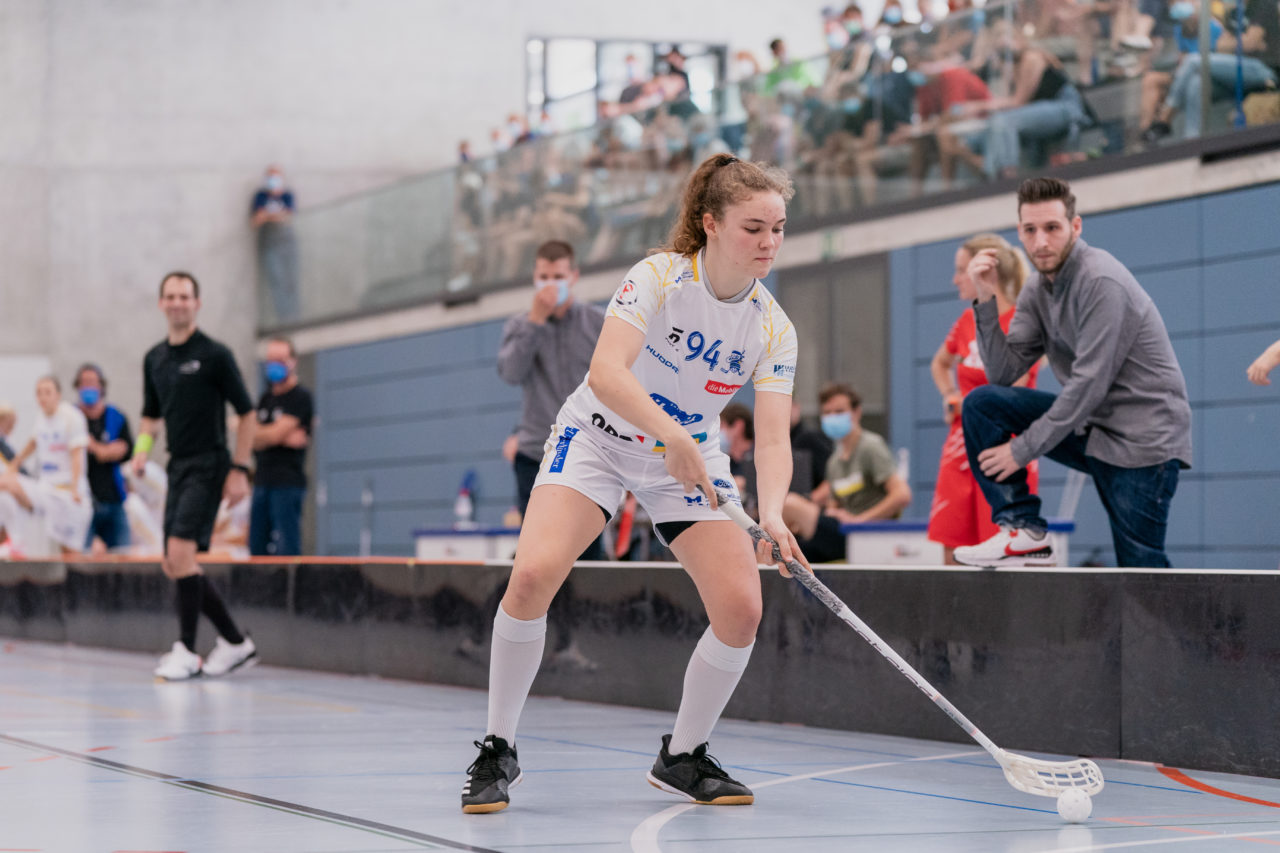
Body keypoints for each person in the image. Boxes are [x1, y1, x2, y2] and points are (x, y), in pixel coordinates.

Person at [461, 153, 807, 814]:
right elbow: (606, 373)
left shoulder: (773, 326)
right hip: (598, 438)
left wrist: (777, 512)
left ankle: (682, 755)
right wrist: (670, 433)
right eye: (753, 227)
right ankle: (497, 746)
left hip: (689, 459)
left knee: (741, 610)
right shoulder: (659, 277)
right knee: (532, 576)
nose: (769, 243)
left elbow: (771, 436)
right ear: (710, 223)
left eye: (778, 228)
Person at [955, 177, 1192, 568]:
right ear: (1020, 232)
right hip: (1093, 431)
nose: (1041, 242)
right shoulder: (1035, 291)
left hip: (1145, 443)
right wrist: (985, 297)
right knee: (983, 404)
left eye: (1052, 228)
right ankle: (1022, 530)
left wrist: (1021, 450)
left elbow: (1088, 387)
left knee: (1142, 576)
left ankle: (1196, 633)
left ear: (1075, 227)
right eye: (1031, 230)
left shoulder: (1101, 281)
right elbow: (1002, 373)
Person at [133, 271, 259, 680]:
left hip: (210, 463)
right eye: (170, 296)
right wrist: (140, 454)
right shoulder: (154, 358)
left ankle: (187, 650)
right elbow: (150, 418)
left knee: (181, 553)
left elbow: (247, 413)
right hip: (178, 465)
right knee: (174, 562)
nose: (177, 302)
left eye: (185, 296)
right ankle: (235, 643)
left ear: (197, 303)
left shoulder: (215, 355)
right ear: (161, 304)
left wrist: (239, 469)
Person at [927, 234, 1040, 565]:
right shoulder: (966, 320)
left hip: (1005, 447)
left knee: (1002, 545)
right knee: (952, 542)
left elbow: (1009, 390)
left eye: (962, 270)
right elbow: (939, 363)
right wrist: (950, 395)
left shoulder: (1023, 321)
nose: (955, 279)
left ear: (986, 273)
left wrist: (963, 402)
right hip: (961, 445)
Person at [496, 241, 605, 531]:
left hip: (587, 454)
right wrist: (535, 321)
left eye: (558, 277)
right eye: (544, 277)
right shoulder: (520, 326)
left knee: (585, 551)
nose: (550, 284)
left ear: (574, 277)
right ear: (534, 278)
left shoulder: (598, 322)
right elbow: (509, 373)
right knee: (536, 546)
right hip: (535, 455)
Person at [781, 383, 912, 563]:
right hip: (842, 533)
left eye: (839, 411)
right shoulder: (835, 460)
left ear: (856, 412)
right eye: (827, 413)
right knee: (788, 555)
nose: (833, 417)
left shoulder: (870, 447)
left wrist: (860, 520)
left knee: (789, 503)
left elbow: (902, 495)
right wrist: (832, 512)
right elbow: (834, 505)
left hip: (867, 535)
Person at [0, 376, 94, 558]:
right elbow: (32, 443)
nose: (43, 397)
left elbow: (77, 455)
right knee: (5, 485)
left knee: (70, 555)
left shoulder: (71, 417)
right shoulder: (41, 418)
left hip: (68, 494)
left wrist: (75, 489)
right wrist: (14, 465)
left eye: (47, 392)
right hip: (45, 490)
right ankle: (16, 542)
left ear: (58, 395)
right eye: (39, 393)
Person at [249, 336, 313, 556]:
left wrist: (263, 434)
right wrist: (277, 435)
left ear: (293, 361)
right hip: (260, 481)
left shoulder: (301, 398)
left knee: (287, 546)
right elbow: (253, 437)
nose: (275, 364)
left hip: (287, 482)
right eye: (271, 359)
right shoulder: (264, 399)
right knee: (256, 547)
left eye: (281, 359)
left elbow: (270, 435)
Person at [74, 363, 134, 553]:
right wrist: (107, 450)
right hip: (82, 501)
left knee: (123, 557)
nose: (88, 387)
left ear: (101, 386)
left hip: (113, 499)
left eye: (93, 382)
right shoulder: (71, 417)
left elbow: (125, 450)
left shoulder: (116, 416)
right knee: (79, 558)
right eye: (84, 383)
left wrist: (95, 447)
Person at [251, 164, 300, 323]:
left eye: (276, 176)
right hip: (269, 244)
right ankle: (283, 318)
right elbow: (256, 220)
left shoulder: (287, 195)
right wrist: (275, 215)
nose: (274, 180)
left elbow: (288, 216)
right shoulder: (261, 196)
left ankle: (294, 316)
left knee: (290, 281)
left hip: (288, 244)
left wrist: (268, 215)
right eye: (271, 176)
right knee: (276, 281)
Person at [719, 402, 758, 518]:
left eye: (722, 426)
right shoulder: (723, 461)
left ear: (738, 426)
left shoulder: (761, 456)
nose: (718, 431)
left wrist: (747, 483)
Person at [788, 399, 833, 496]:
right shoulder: (787, 439)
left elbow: (830, 478)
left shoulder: (809, 438)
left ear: (796, 407)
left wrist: (811, 500)